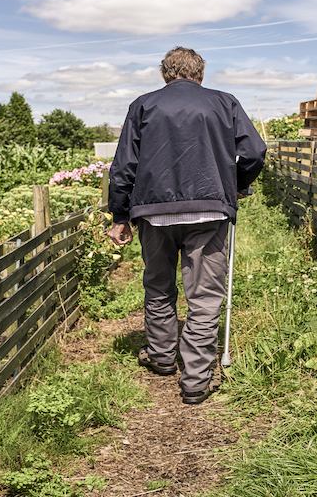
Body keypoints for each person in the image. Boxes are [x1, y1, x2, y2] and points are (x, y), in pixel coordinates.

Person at [107, 47, 266, 405]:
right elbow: (255, 152)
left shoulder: (143, 105)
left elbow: (123, 165)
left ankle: (162, 358)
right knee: (205, 296)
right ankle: (195, 380)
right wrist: (238, 185)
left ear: (165, 73)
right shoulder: (225, 103)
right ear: (201, 73)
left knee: (159, 286)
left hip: (154, 212)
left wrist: (120, 216)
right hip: (209, 211)